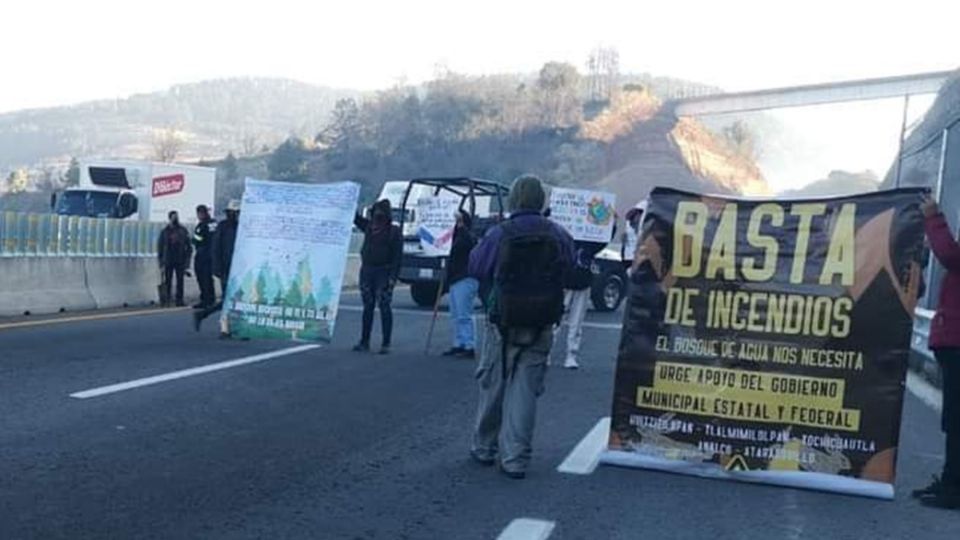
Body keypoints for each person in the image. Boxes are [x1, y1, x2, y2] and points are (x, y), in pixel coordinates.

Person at [468, 174, 574, 479]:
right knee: (525, 393)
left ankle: (484, 448)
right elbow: (570, 270)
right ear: (541, 200)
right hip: (542, 323)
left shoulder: (500, 233)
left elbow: (476, 267)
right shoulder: (558, 233)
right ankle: (515, 459)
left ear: (514, 199)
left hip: (502, 322)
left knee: (493, 386)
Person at [914, 194, 960, 509]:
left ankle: (953, 488)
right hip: (952, 341)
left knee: (957, 420)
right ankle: (949, 481)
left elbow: (950, 255)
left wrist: (933, 217)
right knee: (953, 419)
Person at [552, 222, 616, 369]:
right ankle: (548, 351)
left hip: (582, 280)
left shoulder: (589, 240)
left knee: (576, 321)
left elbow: (603, 238)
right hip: (563, 280)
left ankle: (571, 354)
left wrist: (610, 224)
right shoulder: (561, 237)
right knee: (554, 319)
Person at [353, 199, 402, 354]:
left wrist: (393, 277)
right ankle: (364, 341)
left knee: (384, 307)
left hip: (384, 272)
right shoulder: (368, 227)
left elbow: (397, 257)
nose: (378, 216)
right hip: (367, 271)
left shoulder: (394, 231)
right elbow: (355, 218)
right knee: (368, 306)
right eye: (376, 212)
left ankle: (386, 343)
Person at [193, 200, 240, 337]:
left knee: (232, 299)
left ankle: (204, 315)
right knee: (228, 299)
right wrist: (217, 268)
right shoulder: (222, 227)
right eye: (236, 212)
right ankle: (224, 328)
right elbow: (215, 248)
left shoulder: (239, 227)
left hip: (236, 268)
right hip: (225, 268)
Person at [443, 210, 478, 359]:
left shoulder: (468, 237)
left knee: (464, 314)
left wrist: (461, 226)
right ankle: (458, 343)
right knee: (456, 314)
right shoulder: (454, 237)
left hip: (465, 277)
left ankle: (469, 344)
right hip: (455, 278)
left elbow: (467, 243)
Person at [157, 210, 192, 307]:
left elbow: (188, 246)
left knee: (180, 281)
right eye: (173, 217)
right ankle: (167, 300)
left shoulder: (183, 230)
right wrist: (161, 263)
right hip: (168, 260)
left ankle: (179, 300)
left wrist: (187, 262)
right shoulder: (165, 232)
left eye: (176, 217)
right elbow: (160, 248)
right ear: (169, 218)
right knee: (168, 281)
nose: (175, 219)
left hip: (180, 259)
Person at [192, 204, 217, 308]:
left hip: (203, 254)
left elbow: (197, 240)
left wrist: (193, 239)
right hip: (212, 254)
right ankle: (210, 299)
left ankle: (206, 299)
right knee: (208, 278)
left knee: (203, 278)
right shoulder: (214, 223)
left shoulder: (202, 225)